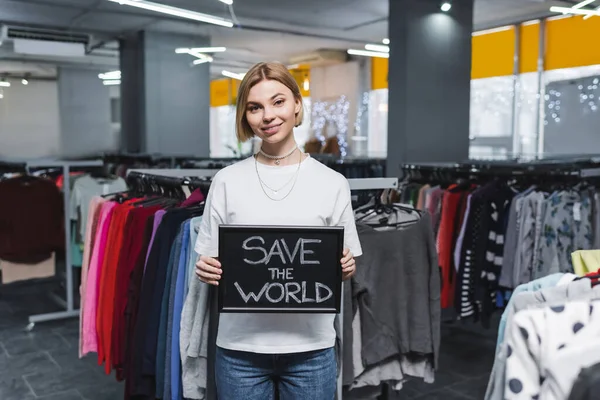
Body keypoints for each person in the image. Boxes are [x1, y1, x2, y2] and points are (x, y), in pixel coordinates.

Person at [195, 61, 363, 399]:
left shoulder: (333, 183)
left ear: (297, 104)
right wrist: (205, 269)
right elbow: (209, 257)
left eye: (278, 101)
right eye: (255, 107)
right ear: (246, 116)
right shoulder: (226, 180)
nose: (267, 115)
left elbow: (345, 263)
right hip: (239, 350)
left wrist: (346, 266)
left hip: (312, 350)